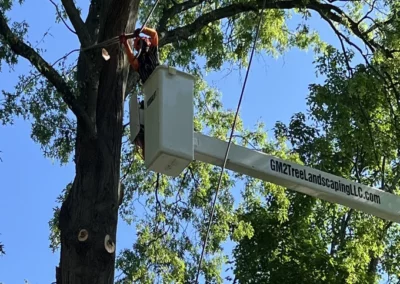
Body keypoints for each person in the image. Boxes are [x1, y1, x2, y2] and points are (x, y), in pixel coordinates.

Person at [120, 27, 160, 159]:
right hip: (151, 95)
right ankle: (145, 144)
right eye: (138, 44)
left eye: (142, 41)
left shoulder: (153, 51)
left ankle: (149, 142)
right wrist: (126, 43)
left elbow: (154, 34)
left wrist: (142, 30)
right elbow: (132, 60)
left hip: (161, 90)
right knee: (141, 116)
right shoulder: (140, 63)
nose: (141, 43)